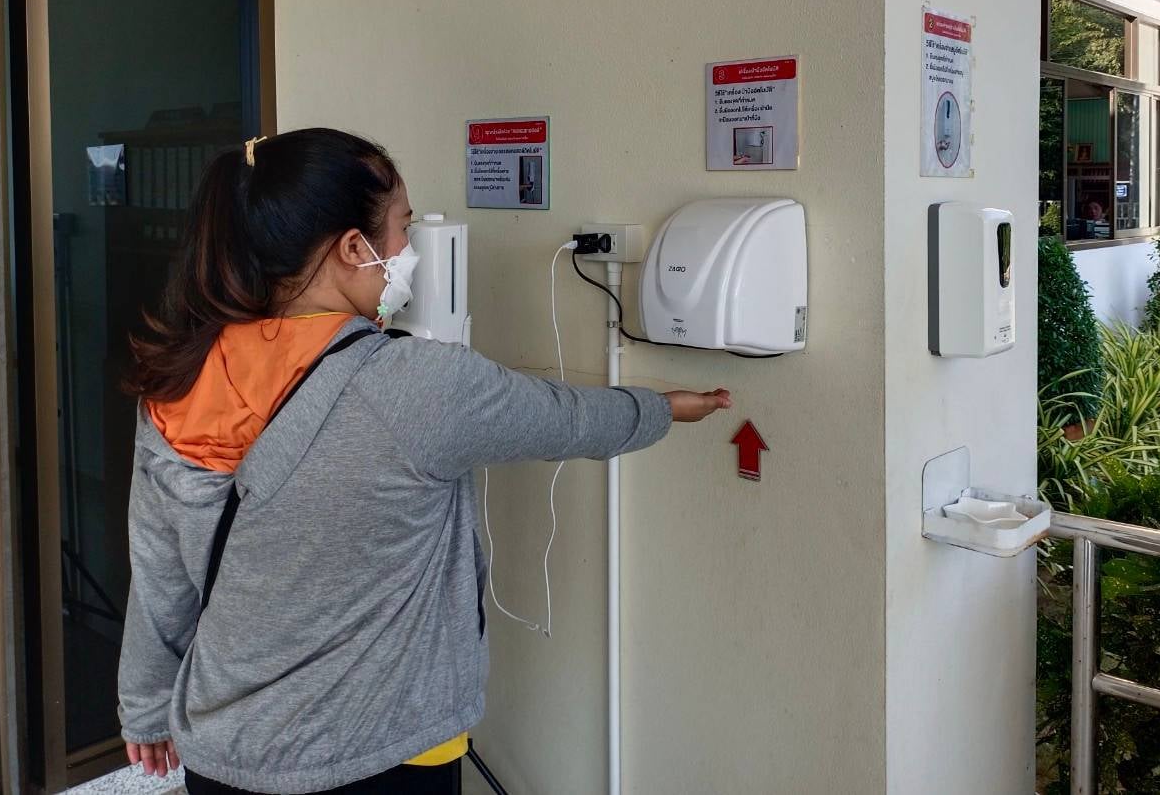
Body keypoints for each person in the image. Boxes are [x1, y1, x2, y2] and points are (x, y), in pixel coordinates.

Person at [117, 128, 731, 794]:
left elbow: (159, 573)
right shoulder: (414, 386)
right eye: (403, 228)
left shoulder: (178, 380)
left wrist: (145, 705)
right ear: (354, 248)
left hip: (224, 754)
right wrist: (666, 407)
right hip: (381, 754)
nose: (408, 249)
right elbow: (569, 418)